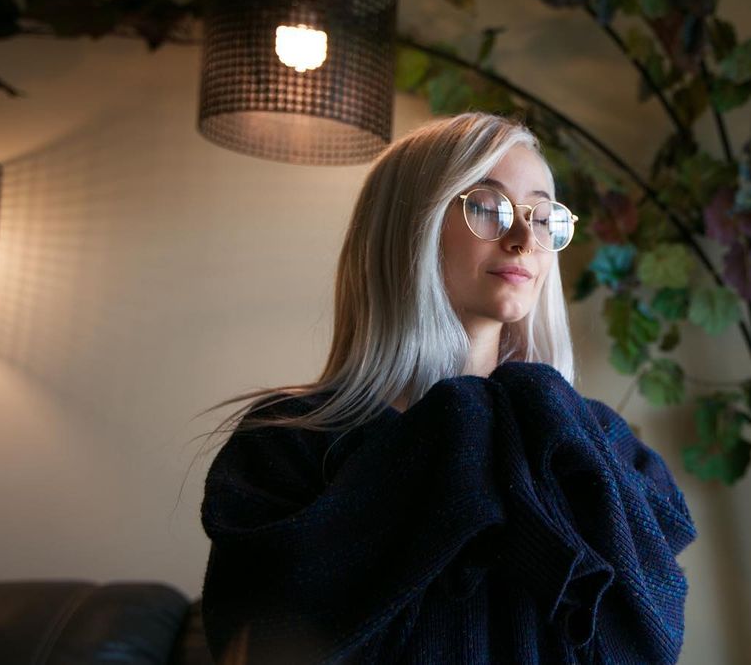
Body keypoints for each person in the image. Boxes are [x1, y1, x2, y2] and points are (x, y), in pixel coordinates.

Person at [197, 112, 697, 664]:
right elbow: (256, 643)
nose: (523, 239)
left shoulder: (592, 441)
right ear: (408, 225)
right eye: (486, 205)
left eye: (542, 216)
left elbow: (651, 634)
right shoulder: (288, 444)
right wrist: (453, 432)